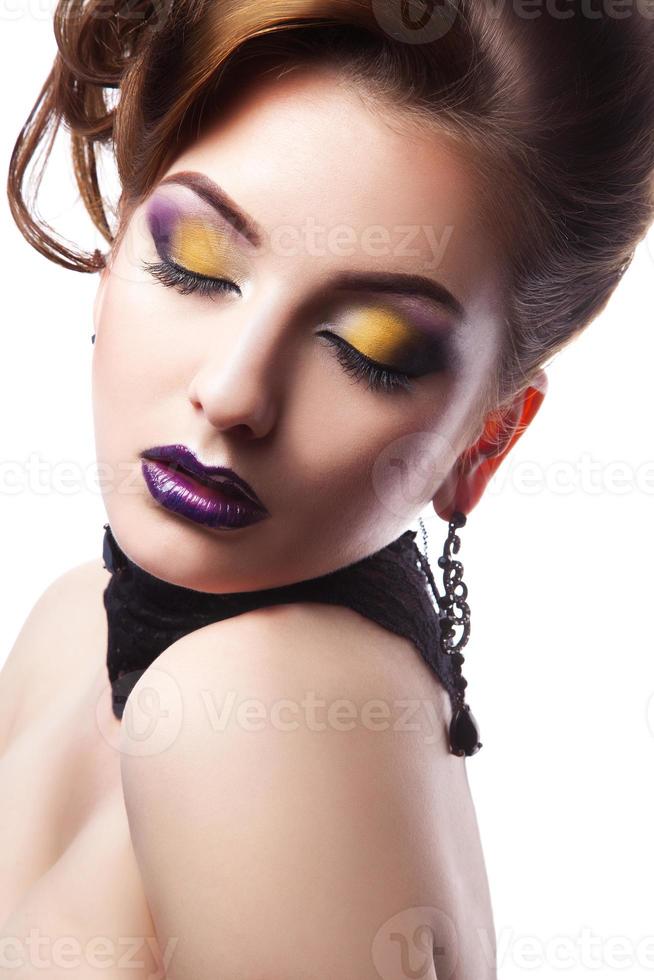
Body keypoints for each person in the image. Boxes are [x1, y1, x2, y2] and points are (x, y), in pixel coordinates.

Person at [2, 1, 653, 976]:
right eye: (195, 263)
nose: (232, 392)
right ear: (116, 249)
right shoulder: (73, 623)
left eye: (371, 350)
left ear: (485, 440)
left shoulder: (257, 706)